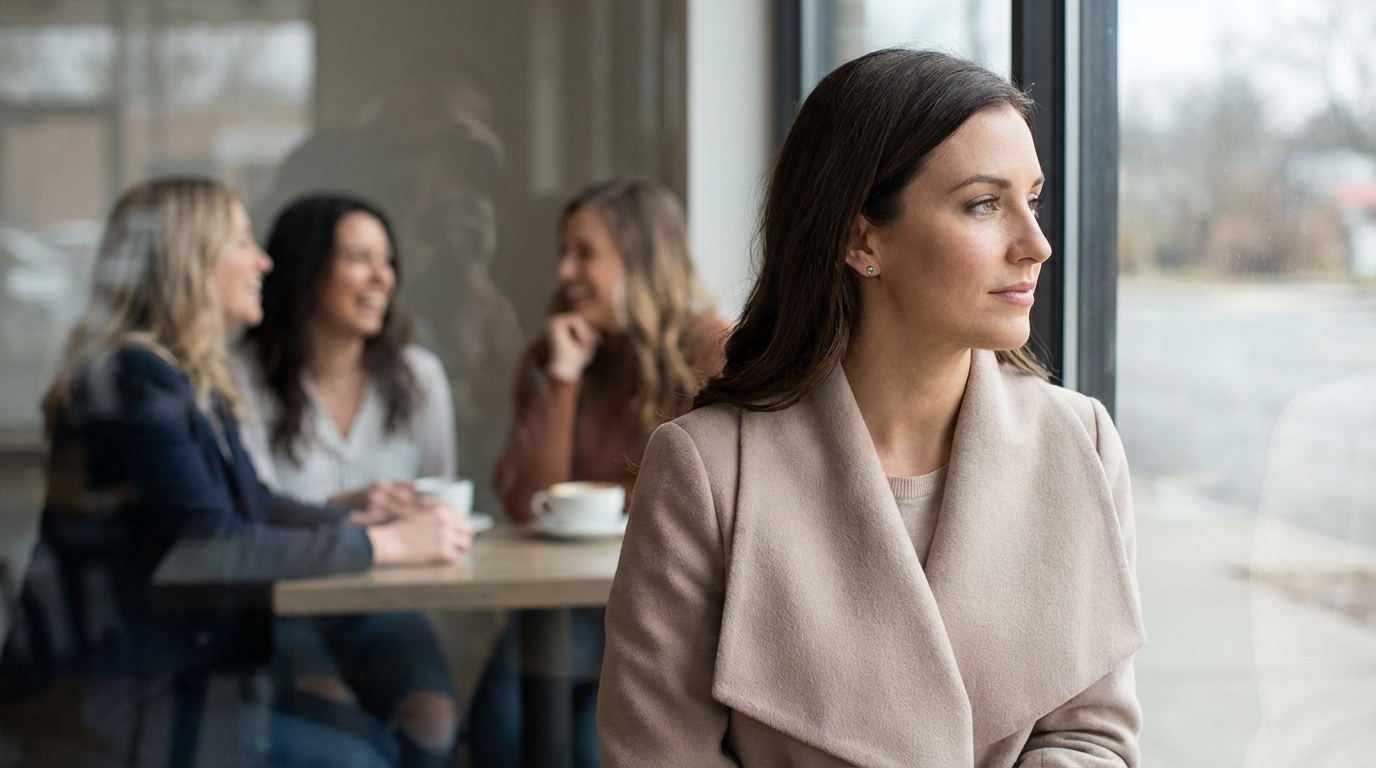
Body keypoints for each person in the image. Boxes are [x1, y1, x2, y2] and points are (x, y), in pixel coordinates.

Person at [597, 50, 1144, 767]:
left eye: (1032, 199)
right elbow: (657, 756)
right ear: (862, 239)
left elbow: (1093, 736)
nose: (1035, 244)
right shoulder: (708, 472)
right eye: (984, 204)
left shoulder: (1082, 443)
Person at [37, 178, 472, 766]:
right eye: (242, 241)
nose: (263, 260)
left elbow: (252, 503)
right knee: (361, 757)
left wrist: (350, 514)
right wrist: (382, 543)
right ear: (190, 262)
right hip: (136, 700)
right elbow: (213, 546)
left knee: (379, 739)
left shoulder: (183, 378)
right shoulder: (137, 384)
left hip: (190, 676)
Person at [470, 179, 728, 767]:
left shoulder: (711, 350)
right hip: (567, 607)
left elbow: (717, 499)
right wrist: (563, 379)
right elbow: (529, 500)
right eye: (564, 253)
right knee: (500, 730)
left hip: (669, 610)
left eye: (584, 253)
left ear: (641, 259)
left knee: (589, 748)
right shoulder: (554, 352)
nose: (565, 271)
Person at [236, 194, 465, 768]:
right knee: (335, 724)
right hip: (281, 610)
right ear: (308, 270)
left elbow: (444, 498)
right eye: (359, 258)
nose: (381, 277)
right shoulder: (241, 378)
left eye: (386, 261)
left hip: (386, 603)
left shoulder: (418, 377)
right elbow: (249, 517)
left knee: (435, 722)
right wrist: (349, 506)